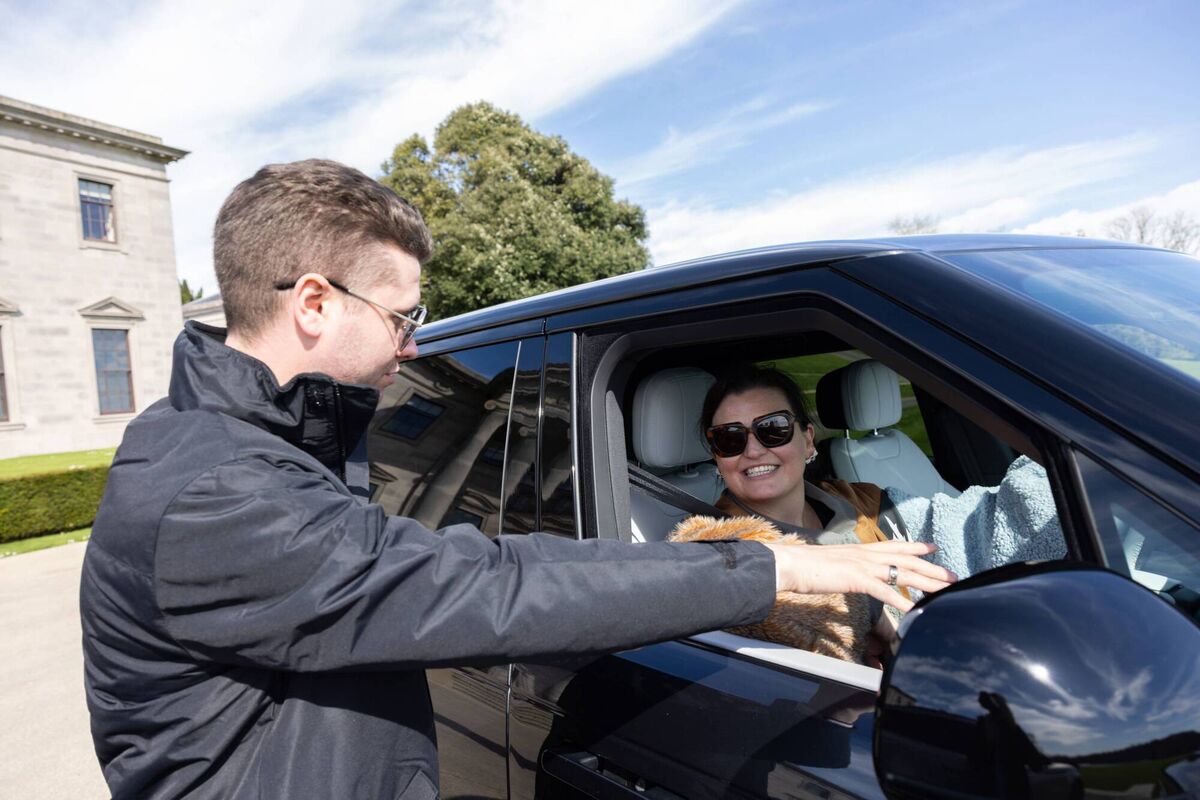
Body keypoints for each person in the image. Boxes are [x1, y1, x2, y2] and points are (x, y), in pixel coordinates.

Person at [79, 160, 953, 800]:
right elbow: (486, 584)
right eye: (403, 315)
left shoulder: (269, 449)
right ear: (314, 302)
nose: (415, 344)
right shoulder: (216, 493)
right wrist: (771, 566)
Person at [671, 365, 1065, 665]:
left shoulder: (862, 503)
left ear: (808, 440)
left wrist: (1072, 469)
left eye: (772, 429)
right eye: (730, 438)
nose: (753, 450)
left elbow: (972, 530)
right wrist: (870, 610)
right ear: (716, 456)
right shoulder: (721, 552)